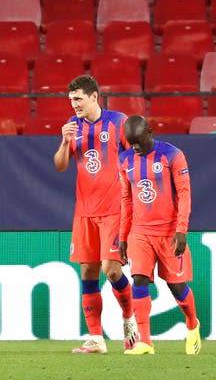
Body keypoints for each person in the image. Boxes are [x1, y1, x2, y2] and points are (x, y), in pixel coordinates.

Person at [53, 75, 137, 354]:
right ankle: (96, 339)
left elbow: (136, 157)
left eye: (78, 99)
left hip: (114, 209)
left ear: (93, 97)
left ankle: (129, 319)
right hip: (84, 212)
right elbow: (60, 166)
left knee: (110, 269)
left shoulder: (118, 122)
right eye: (71, 100)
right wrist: (65, 143)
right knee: (87, 271)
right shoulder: (72, 127)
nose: (74, 104)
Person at [118, 115, 201, 355]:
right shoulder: (124, 160)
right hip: (140, 233)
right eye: (131, 143)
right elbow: (126, 200)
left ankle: (192, 324)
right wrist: (123, 236)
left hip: (169, 233)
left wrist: (181, 230)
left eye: (138, 142)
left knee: (177, 287)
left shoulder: (172, 155)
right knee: (139, 280)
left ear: (149, 133)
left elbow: (184, 194)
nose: (134, 147)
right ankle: (145, 342)